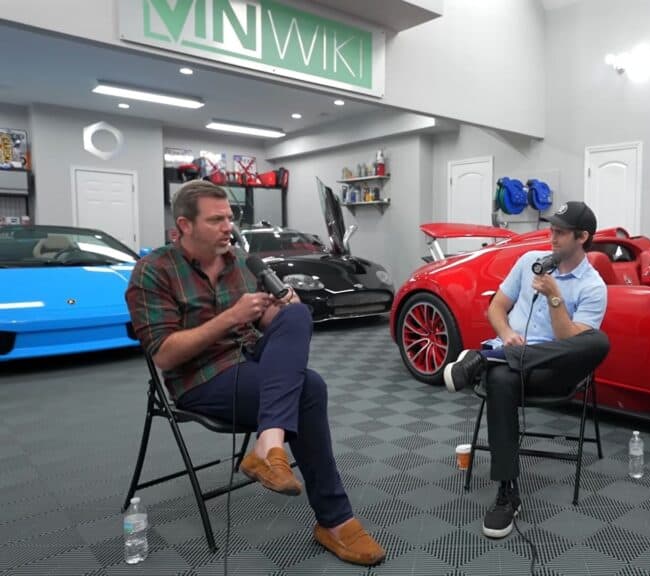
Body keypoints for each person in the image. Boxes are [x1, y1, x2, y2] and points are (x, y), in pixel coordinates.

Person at [125, 181, 385, 567]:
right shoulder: (153, 272)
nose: (227, 226)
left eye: (229, 218)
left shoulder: (239, 263)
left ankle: (268, 444)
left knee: (296, 314)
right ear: (184, 225)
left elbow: (266, 323)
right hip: (201, 378)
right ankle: (333, 519)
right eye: (216, 220)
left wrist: (281, 308)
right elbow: (164, 355)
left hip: (252, 362)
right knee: (309, 388)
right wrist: (231, 317)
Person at [443, 201, 610, 539]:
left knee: (598, 342)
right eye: (551, 230)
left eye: (560, 233)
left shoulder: (593, 286)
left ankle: (484, 359)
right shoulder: (527, 263)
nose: (552, 238)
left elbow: (568, 339)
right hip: (511, 365)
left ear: (582, 237)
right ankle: (508, 492)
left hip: (551, 373)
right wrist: (506, 335)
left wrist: (554, 297)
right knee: (502, 379)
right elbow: (496, 308)